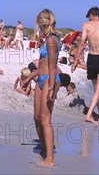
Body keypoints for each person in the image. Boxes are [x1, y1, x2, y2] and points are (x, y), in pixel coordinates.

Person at [71, 6, 99, 124]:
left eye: (88, 17)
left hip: (91, 58)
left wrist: (75, 61)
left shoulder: (86, 25)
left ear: (91, 14)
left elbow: (82, 43)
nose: (88, 19)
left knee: (97, 90)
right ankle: (89, 115)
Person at [33, 9, 61, 168]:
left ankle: (50, 159)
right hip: (41, 79)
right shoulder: (49, 39)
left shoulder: (51, 40)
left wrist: (51, 87)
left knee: (45, 120)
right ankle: (44, 148)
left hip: (49, 80)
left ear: (43, 24)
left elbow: (52, 66)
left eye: (39, 25)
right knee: (37, 118)